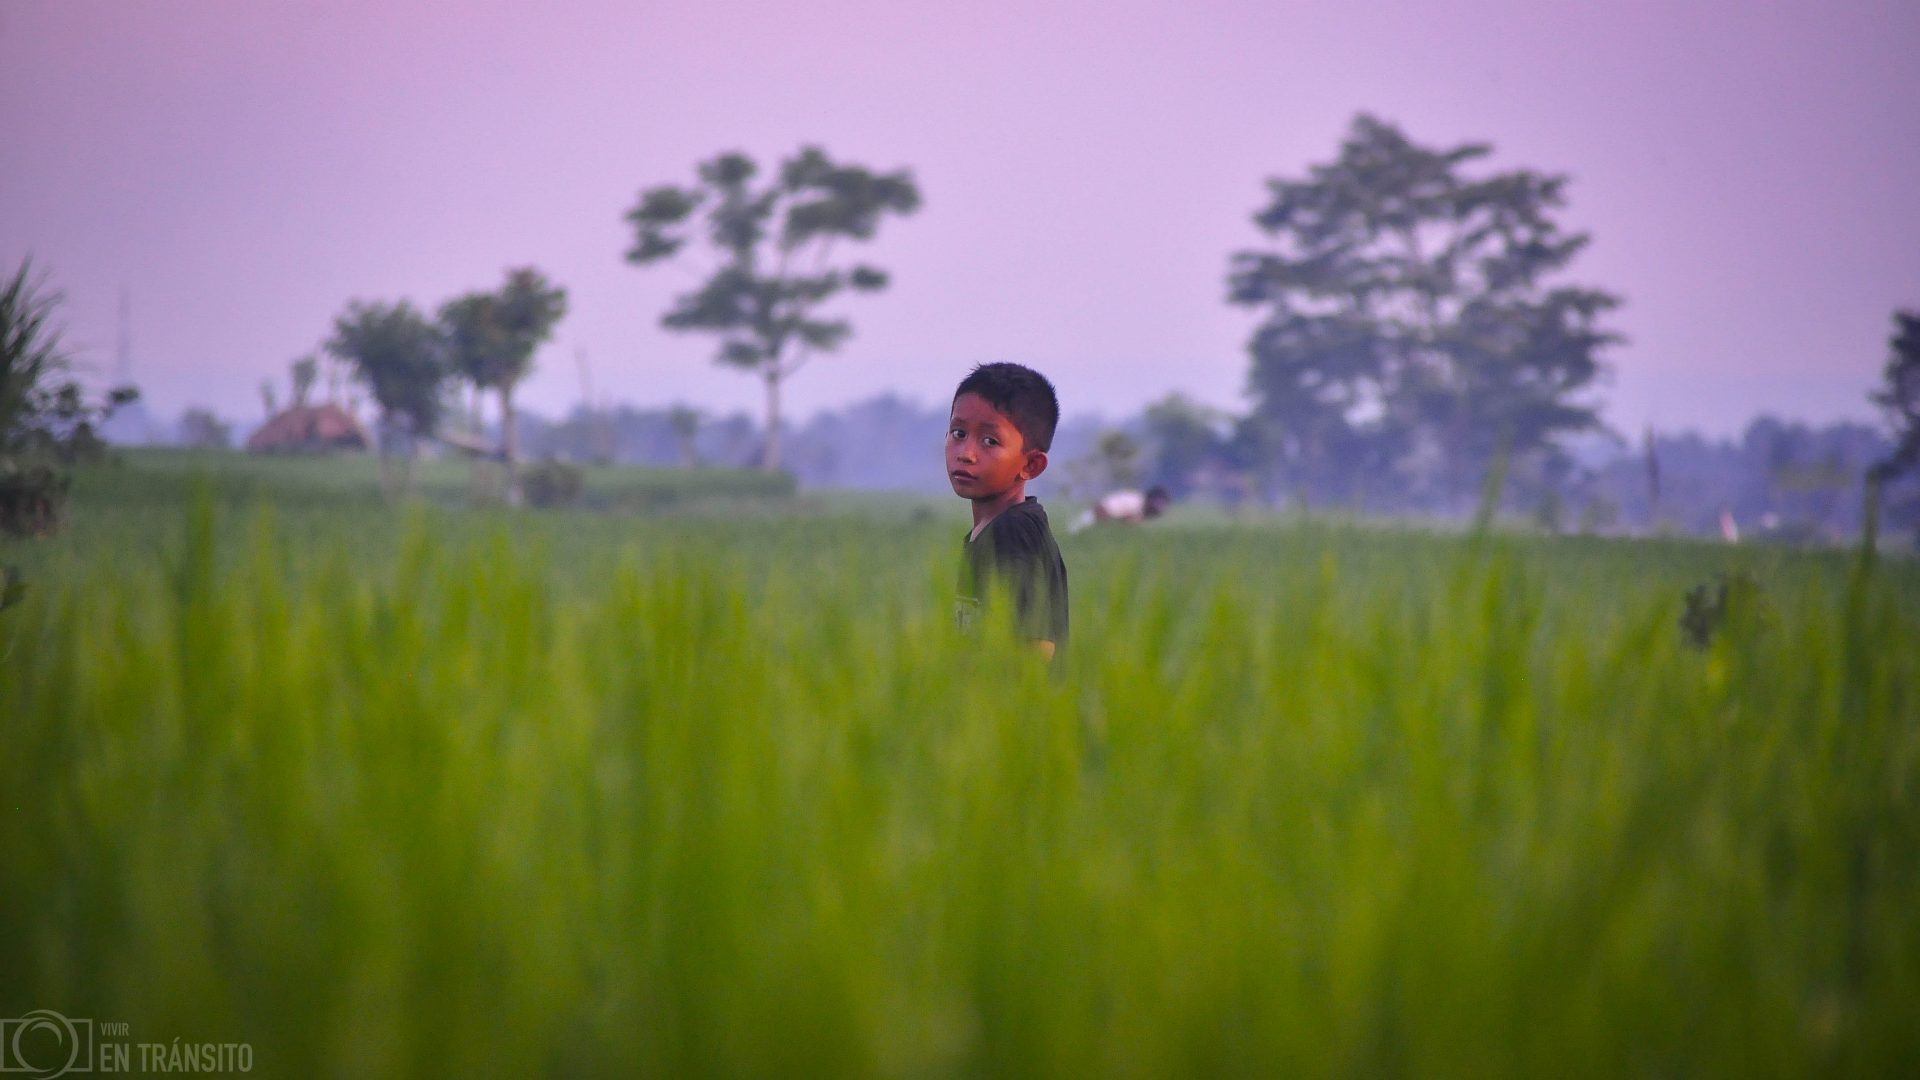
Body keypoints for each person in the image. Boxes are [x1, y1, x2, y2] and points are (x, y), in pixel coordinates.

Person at [947, 363, 1069, 659]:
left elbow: (1036, 650)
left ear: (1031, 465)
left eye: (990, 441)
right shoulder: (988, 533)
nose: (966, 453)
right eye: (959, 433)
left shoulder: (1014, 533)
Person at [1070, 485, 1171, 532]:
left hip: (1099, 519)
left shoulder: (1139, 503)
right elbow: (1105, 509)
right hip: (1095, 520)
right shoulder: (1135, 502)